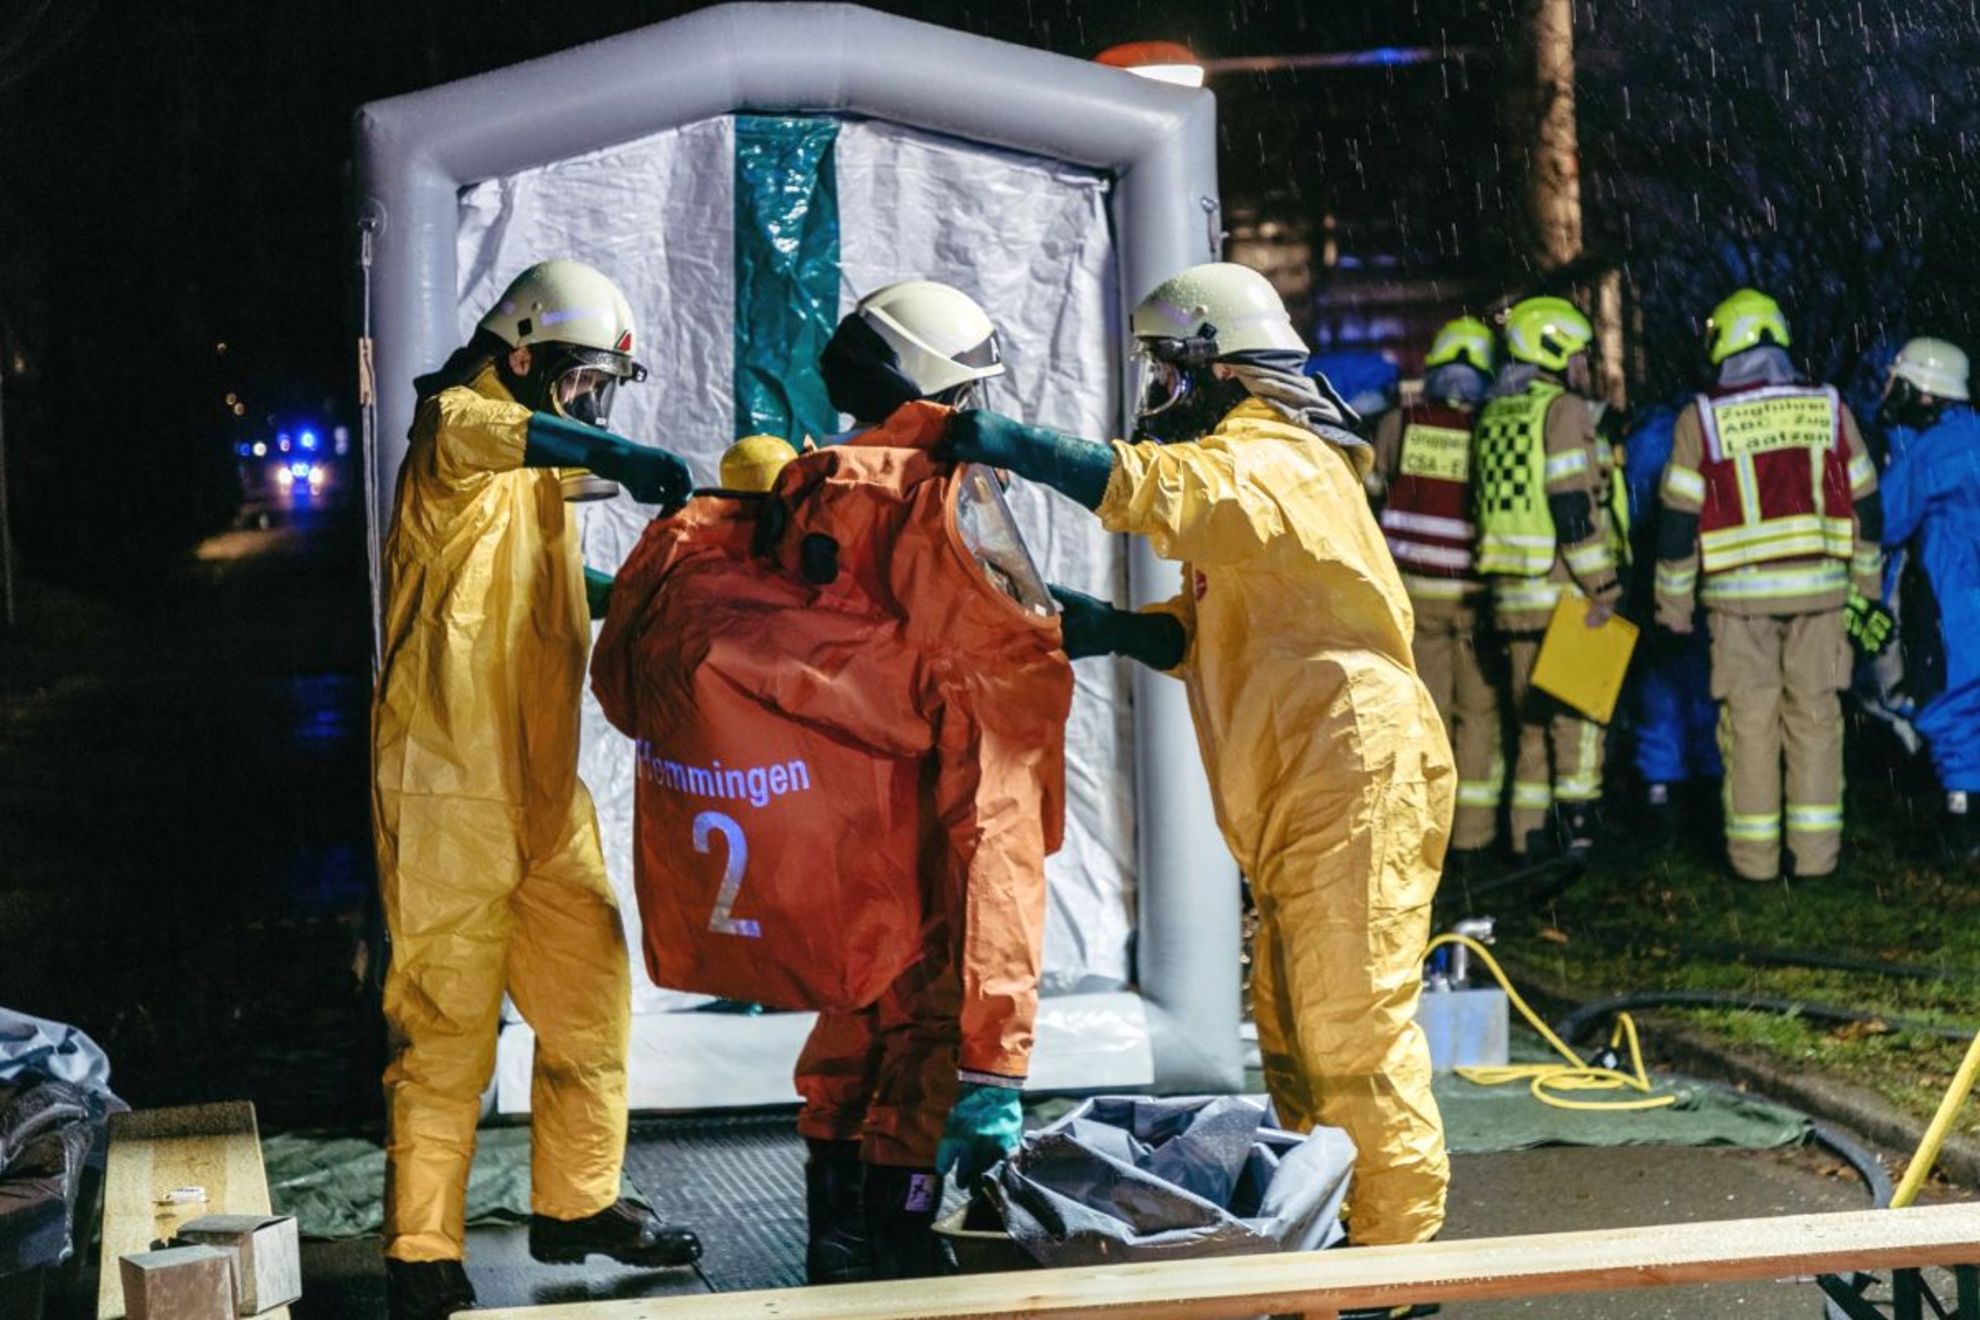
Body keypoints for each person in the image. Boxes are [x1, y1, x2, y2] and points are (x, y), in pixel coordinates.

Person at [943, 260, 1453, 1261]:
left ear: (1221, 369)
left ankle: (1395, 1260)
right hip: (1308, 776)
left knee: (1353, 1035)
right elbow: (1221, 628)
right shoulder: (1256, 469)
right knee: (1296, 1037)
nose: (1159, 396)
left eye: (1168, 373)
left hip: (1352, 771)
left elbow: (1161, 491)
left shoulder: (1275, 458)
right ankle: (1331, 1235)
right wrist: (1115, 628)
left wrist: (1016, 445)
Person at [371, 259, 702, 1320]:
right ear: (521, 358)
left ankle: (577, 1204)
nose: (591, 407)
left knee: (590, 1000)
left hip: (546, 792)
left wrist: (664, 593)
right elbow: (502, 433)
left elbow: (551, 580)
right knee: (446, 1027)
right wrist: (623, 456)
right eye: (582, 381)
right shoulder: (457, 427)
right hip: (447, 789)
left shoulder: (532, 467)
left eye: (604, 389)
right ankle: (422, 1248)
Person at [798, 279, 1037, 1282]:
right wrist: (998, 1059)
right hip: (935, 782)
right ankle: (897, 1236)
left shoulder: (820, 480)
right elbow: (983, 659)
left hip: (841, 794)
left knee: (856, 1002)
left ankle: (836, 1229)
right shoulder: (937, 492)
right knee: (930, 1025)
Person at [1653, 288, 1883, 882]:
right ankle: (1814, 859)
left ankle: (1754, 864)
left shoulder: (1701, 418)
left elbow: (1677, 525)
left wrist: (1673, 608)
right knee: (1817, 721)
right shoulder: (1829, 406)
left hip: (1738, 604)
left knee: (1750, 725)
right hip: (1822, 597)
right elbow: (1866, 506)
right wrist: (1867, 590)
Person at [1471, 296, 1624, 858]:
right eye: (1579, 354)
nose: (1584, 366)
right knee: (1579, 718)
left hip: (1510, 594)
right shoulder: (1563, 411)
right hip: (1564, 592)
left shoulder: (1495, 412)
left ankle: (1526, 835)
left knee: (1530, 725)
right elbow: (1572, 509)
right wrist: (1604, 586)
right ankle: (1578, 833)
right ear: (1554, 350)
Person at [1370, 317, 1504, 859]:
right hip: (1472, 594)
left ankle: (1428, 832)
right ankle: (1474, 833)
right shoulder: (1492, 426)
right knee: (1479, 713)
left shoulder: (1400, 422)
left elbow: (1369, 494)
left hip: (1413, 591)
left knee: (1425, 713)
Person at [1877, 337, 1980, 860]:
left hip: (1951, 597)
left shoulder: (1929, 452)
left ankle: (1963, 824)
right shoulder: (1973, 435)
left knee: (1951, 701)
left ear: (1923, 393)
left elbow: (1886, 521)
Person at [1621, 405, 1722, 819]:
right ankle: (1709, 773)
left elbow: (1630, 508)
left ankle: (1660, 783)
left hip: (1652, 570)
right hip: (1706, 569)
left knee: (1659, 683)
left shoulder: (1647, 435)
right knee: (1704, 678)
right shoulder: (1706, 425)